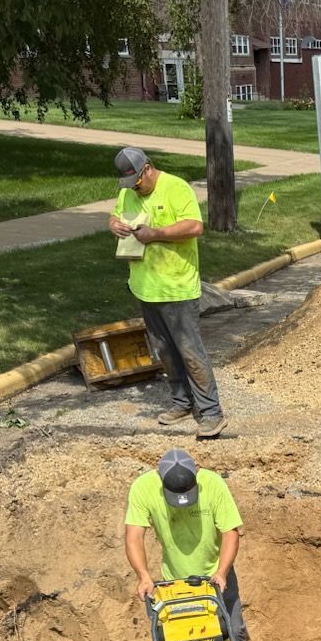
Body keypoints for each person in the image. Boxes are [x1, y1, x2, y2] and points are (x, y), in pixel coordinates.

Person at [125, 448, 256, 641]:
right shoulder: (143, 488)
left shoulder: (213, 485)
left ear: (197, 476)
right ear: (161, 482)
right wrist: (144, 577)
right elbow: (133, 535)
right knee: (172, 638)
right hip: (172, 581)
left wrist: (221, 571)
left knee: (234, 627)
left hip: (215, 575)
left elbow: (230, 533)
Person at [110, 147, 227, 439]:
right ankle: (182, 402)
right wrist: (113, 224)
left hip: (177, 288)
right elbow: (115, 216)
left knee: (190, 351)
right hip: (146, 287)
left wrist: (157, 234)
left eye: (137, 181)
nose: (134, 188)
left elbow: (195, 226)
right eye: (129, 184)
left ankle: (211, 412)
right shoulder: (128, 192)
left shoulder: (176, 187)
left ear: (148, 168)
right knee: (165, 351)